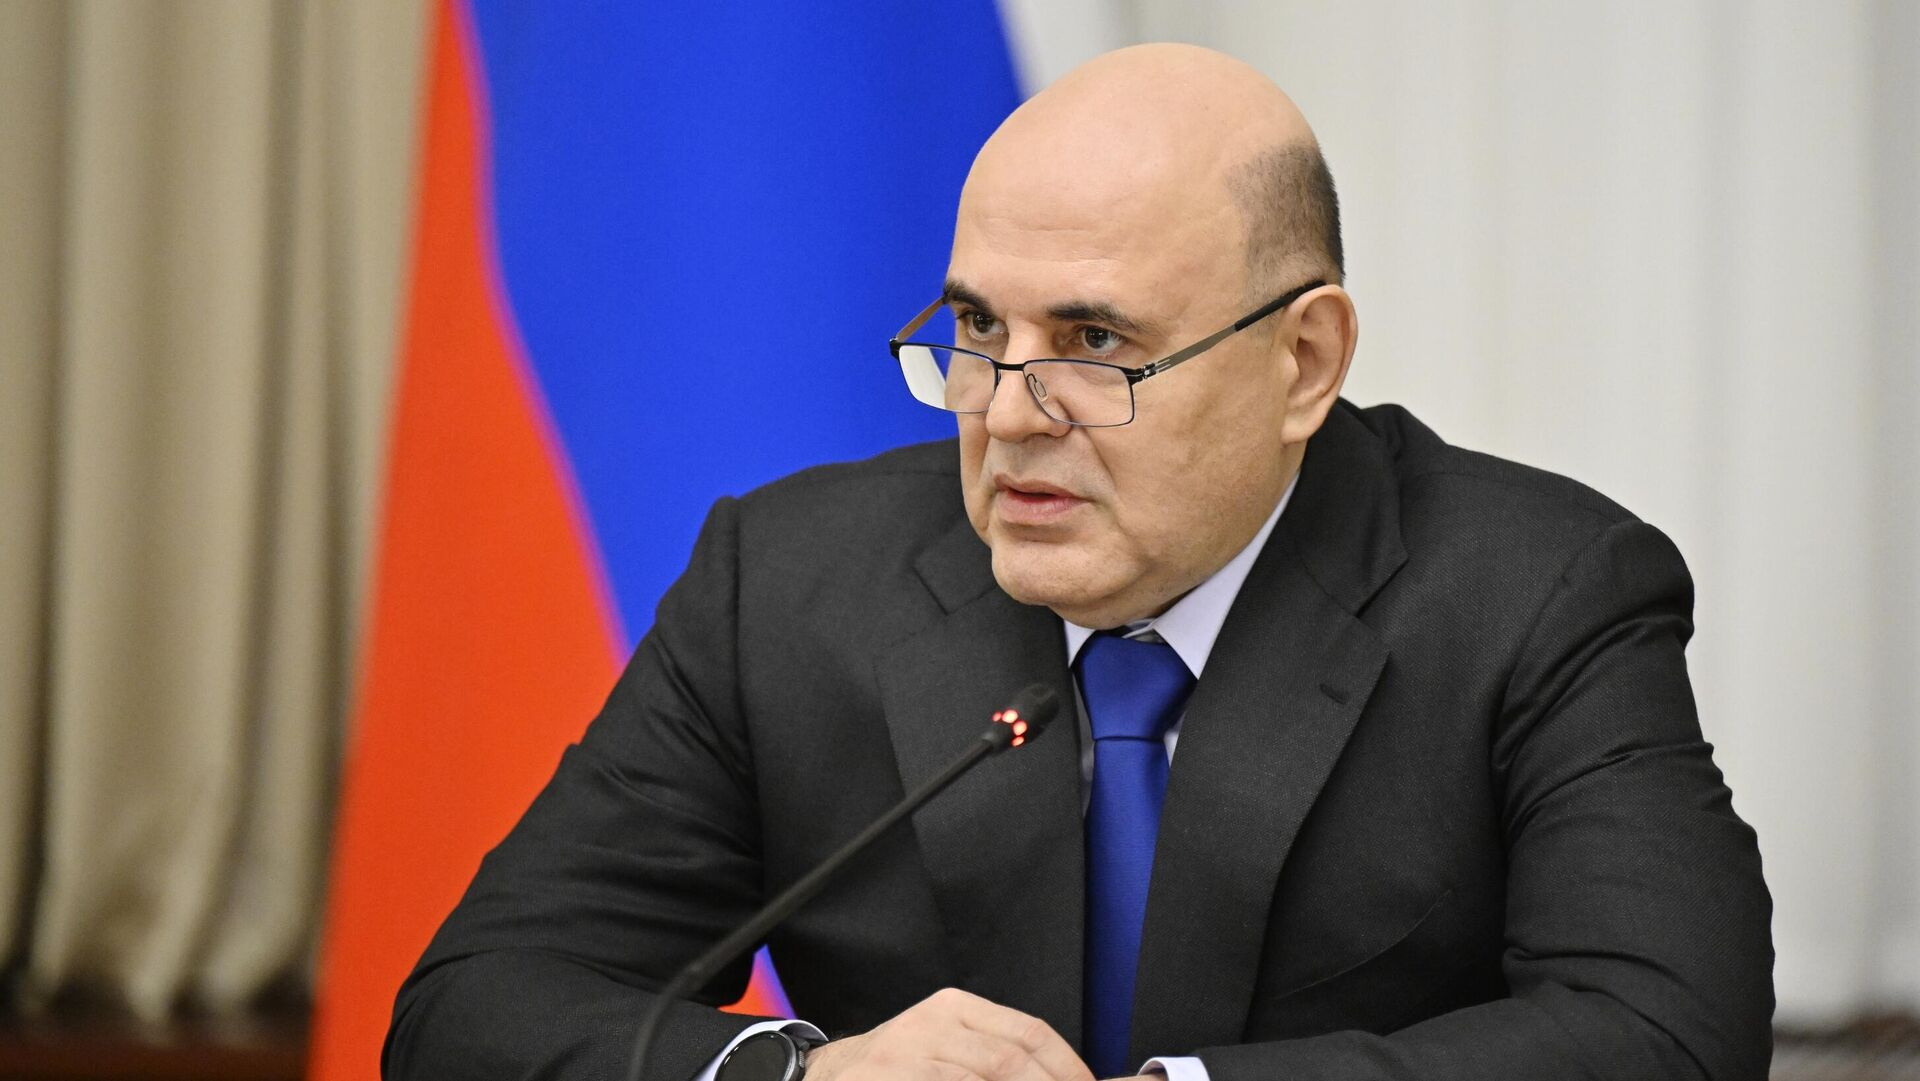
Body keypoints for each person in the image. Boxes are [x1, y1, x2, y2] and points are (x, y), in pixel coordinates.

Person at [384, 43, 1772, 1081]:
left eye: (1096, 344)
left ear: (1304, 361)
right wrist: (809, 1076)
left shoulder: (1540, 593)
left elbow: (1665, 1033)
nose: (1005, 414)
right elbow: (472, 1006)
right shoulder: (787, 582)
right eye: (979, 331)